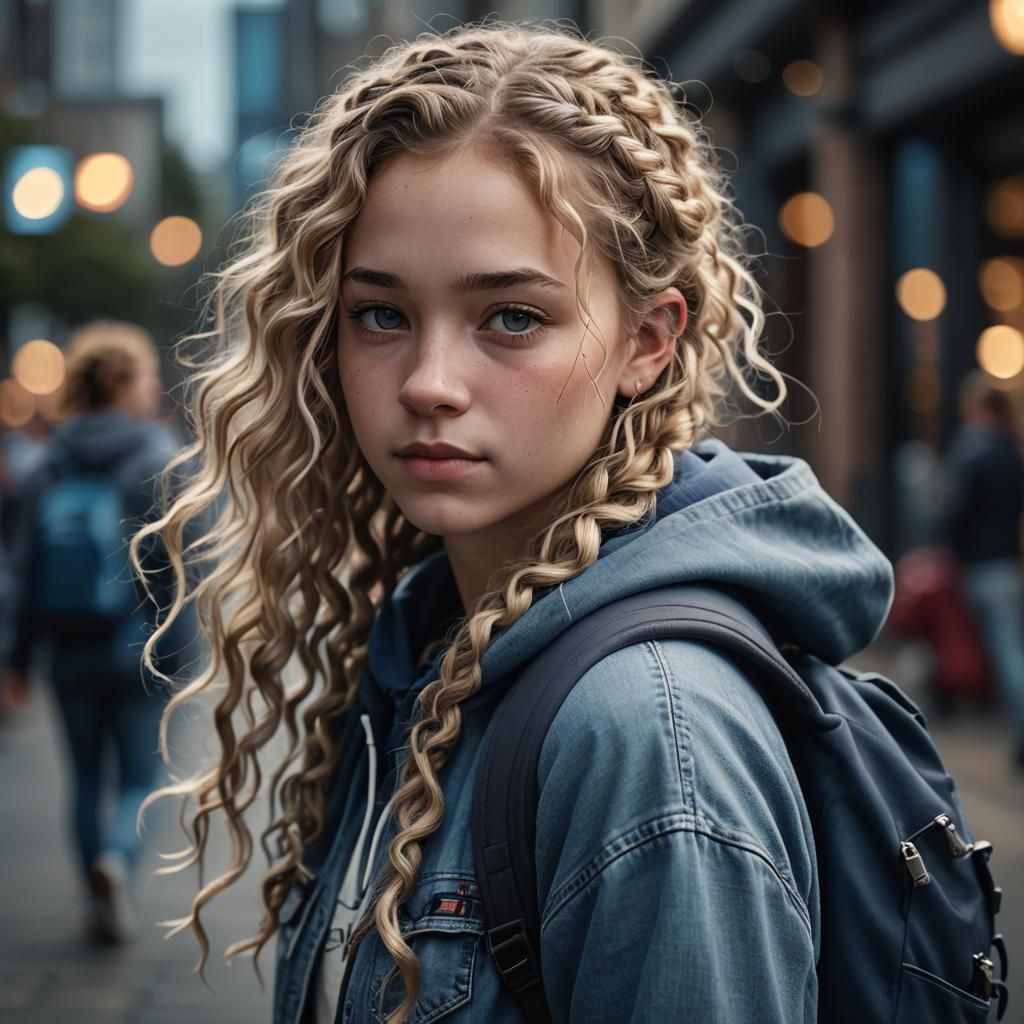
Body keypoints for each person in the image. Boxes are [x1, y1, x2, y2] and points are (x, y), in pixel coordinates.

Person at [130, 22, 894, 1023]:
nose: (429, 384)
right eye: (381, 315)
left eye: (512, 318)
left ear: (646, 341)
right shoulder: (436, 638)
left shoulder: (648, 735)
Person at [1, 320, 190, 944]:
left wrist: (18, 661)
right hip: (140, 650)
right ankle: (118, 858)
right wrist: (178, 651)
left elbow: (25, 570)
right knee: (141, 776)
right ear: (126, 383)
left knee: (84, 778)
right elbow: (184, 569)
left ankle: (93, 893)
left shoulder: (46, 463)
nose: (154, 385)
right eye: (146, 375)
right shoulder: (158, 458)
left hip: (67, 649)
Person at [936, 369, 1024, 766]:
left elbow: (956, 509)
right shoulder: (1012, 449)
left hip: (981, 566)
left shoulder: (975, 449)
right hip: (1009, 563)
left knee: (1004, 653)